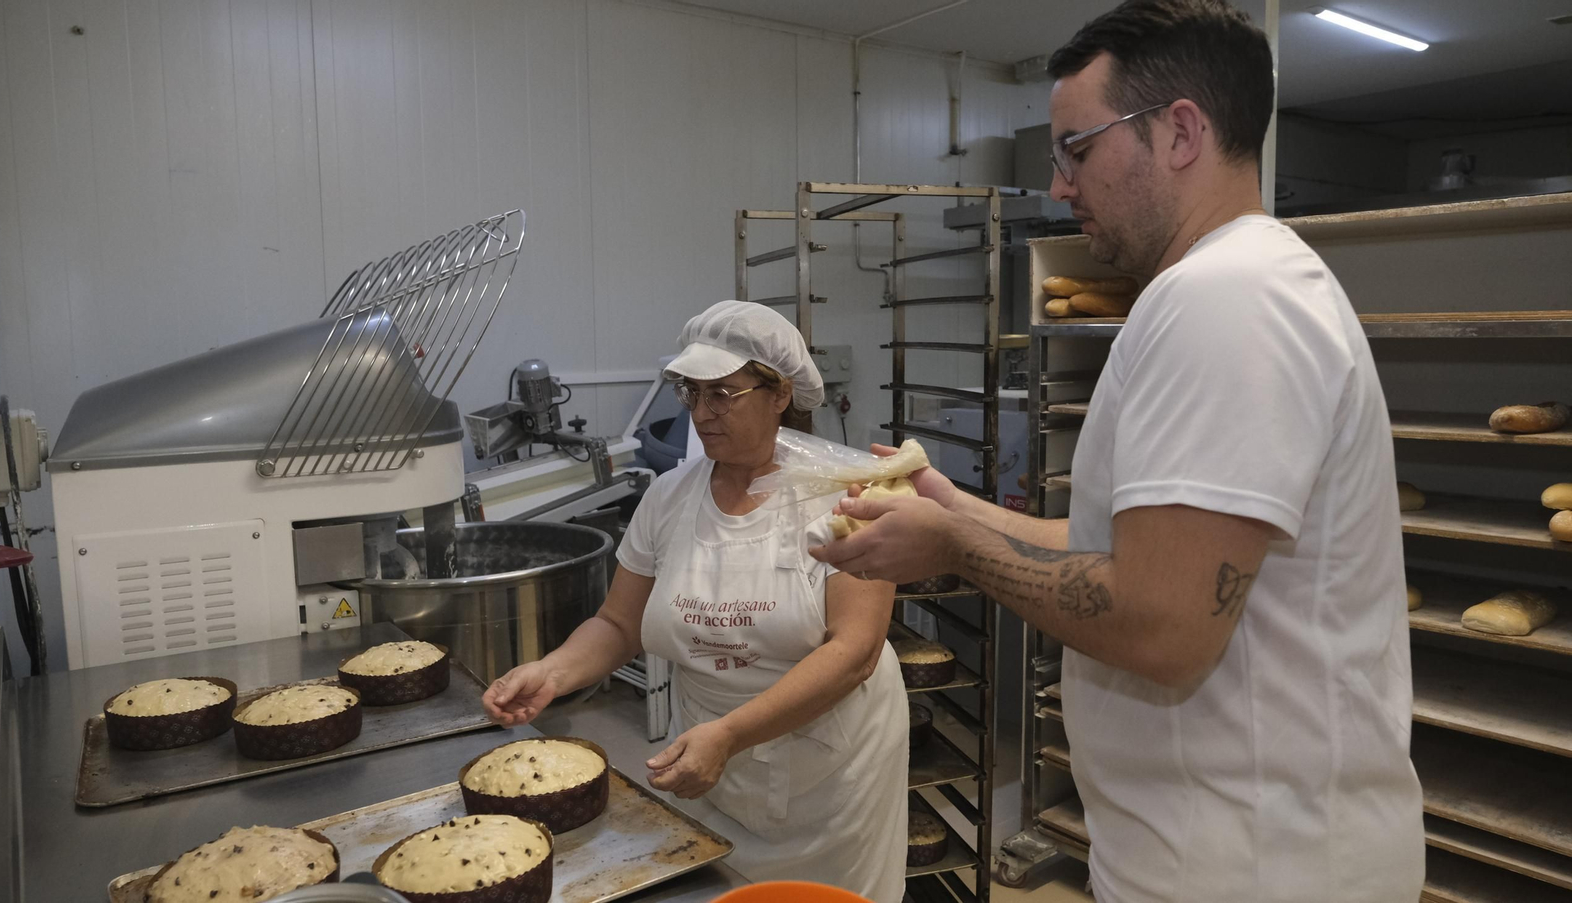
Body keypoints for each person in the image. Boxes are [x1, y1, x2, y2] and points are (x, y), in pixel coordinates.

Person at [810, 2, 1424, 901]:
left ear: (1180, 132)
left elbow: (1163, 623)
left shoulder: (1229, 298)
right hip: (1217, 851)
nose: (1060, 185)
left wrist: (953, 551)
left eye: (1078, 149)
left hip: (1260, 867)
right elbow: (1134, 556)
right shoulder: (1227, 286)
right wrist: (949, 505)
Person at [482, 300, 909, 902]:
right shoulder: (668, 498)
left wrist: (732, 735)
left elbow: (856, 650)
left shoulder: (844, 493)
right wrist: (552, 671)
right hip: (706, 754)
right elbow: (617, 623)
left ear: (779, 393)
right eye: (691, 393)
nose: (702, 414)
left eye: (723, 395)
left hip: (830, 769)